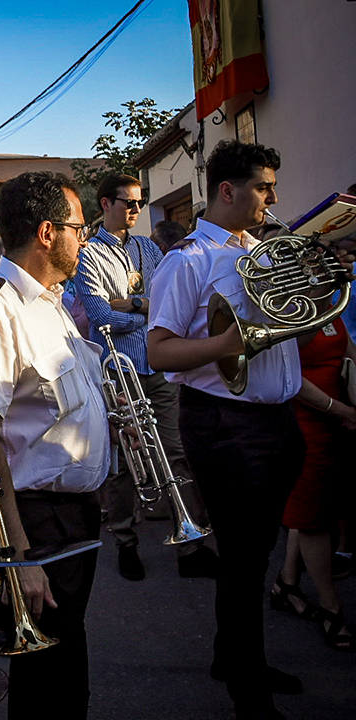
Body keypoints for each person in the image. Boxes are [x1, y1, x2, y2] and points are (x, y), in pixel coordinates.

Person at [147, 140, 327, 719]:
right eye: (263, 187)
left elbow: (298, 327)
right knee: (247, 562)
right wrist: (226, 344)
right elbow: (159, 351)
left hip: (278, 418)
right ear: (228, 191)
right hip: (226, 423)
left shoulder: (268, 253)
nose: (272, 198)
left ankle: (235, 657)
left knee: (257, 554)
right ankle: (249, 693)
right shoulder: (189, 261)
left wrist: (322, 280)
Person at [0, 171, 110, 720]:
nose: (84, 240)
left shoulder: (50, 302)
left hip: (73, 515)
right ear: (47, 232)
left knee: (66, 673)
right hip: (34, 522)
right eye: (79, 228)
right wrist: (17, 555)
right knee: (48, 689)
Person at [74, 173, 216, 581]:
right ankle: (125, 542)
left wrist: (133, 306)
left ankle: (189, 544)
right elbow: (101, 319)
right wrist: (146, 308)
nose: (136, 209)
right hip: (120, 371)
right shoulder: (89, 255)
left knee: (176, 452)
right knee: (123, 463)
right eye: (128, 202)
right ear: (105, 204)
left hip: (158, 368)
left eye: (140, 201)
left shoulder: (148, 248)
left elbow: (169, 306)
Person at [272, 317, 356, 652]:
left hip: (339, 418)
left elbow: (347, 350)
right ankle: (330, 608)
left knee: (313, 505)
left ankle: (287, 584)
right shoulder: (291, 309)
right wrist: (340, 411)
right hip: (309, 420)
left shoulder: (331, 307)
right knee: (312, 515)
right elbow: (290, 374)